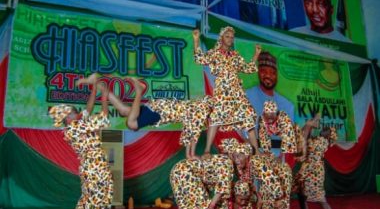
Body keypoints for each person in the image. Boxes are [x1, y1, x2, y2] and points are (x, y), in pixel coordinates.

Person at [77, 73, 211, 160]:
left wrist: (191, 154)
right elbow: (191, 133)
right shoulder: (198, 112)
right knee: (131, 124)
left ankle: (96, 82)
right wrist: (190, 155)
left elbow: (192, 132)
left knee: (123, 110)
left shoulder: (196, 110)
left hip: (157, 108)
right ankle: (138, 92)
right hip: (160, 111)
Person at [49, 82, 113, 209]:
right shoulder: (77, 127)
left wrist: (94, 90)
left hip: (88, 168)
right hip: (96, 168)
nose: (77, 112)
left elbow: (89, 108)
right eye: (73, 111)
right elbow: (104, 117)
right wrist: (105, 95)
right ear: (68, 118)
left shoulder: (72, 127)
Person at [193, 26, 261, 156]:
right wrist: (196, 40)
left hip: (237, 92)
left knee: (248, 117)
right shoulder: (215, 53)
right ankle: (207, 150)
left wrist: (256, 55)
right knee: (215, 119)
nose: (230, 39)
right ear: (221, 38)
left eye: (231, 37)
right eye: (227, 36)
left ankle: (257, 150)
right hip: (223, 92)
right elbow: (199, 59)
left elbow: (247, 68)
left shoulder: (235, 55)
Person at [220, 138, 294, 209]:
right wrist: (258, 196)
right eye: (235, 156)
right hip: (267, 180)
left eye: (239, 156)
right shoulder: (240, 166)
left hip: (281, 176)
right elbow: (248, 183)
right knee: (261, 206)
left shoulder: (256, 163)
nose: (237, 160)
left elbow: (271, 179)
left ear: (247, 155)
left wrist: (279, 198)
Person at [292, 115, 343, 209]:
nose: (325, 128)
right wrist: (312, 122)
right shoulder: (318, 140)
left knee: (321, 199)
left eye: (328, 129)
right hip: (308, 171)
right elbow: (305, 138)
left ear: (328, 136)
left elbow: (303, 139)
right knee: (301, 194)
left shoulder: (321, 142)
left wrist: (309, 125)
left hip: (313, 173)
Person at [245, 51, 294, 121]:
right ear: (258, 72)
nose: (268, 75)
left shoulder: (287, 105)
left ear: (277, 75)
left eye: (272, 72)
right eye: (263, 71)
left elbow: (290, 131)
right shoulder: (246, 97)